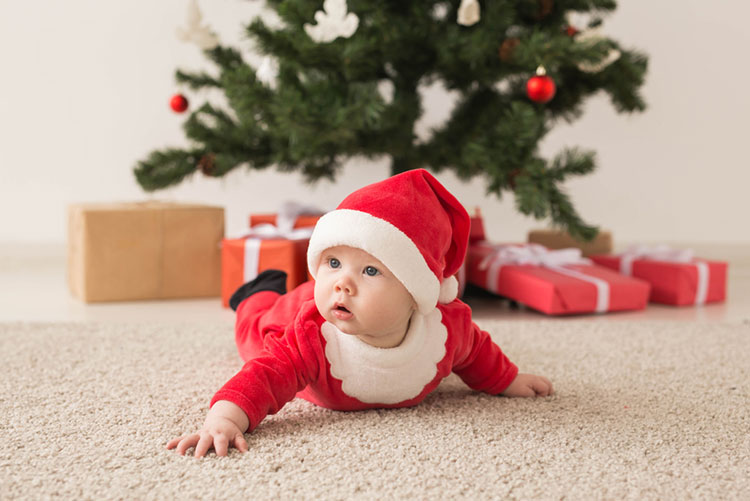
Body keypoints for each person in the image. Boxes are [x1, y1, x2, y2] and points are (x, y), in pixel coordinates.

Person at [167, 169, 553, 458]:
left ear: (415, 292)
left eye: (370, 271)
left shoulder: (447, 328)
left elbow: (477, 352)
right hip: (286, 316)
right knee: (252, 330)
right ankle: (258, 289)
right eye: (332, 262)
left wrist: (508, 379)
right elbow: (264, 376)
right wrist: (225, 419)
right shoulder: (311, 338)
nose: (343, 283)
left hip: (326, 308)